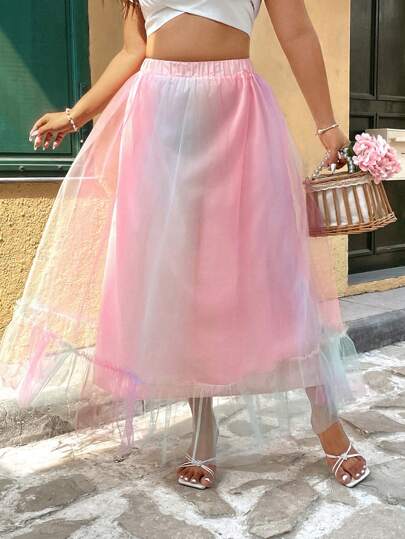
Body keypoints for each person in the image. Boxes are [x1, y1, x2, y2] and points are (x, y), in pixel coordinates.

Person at [0, 0, 369, 491]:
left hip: (237, 114)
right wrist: (76, 114)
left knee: (278, 276)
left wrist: (327, 125)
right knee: (180, 283)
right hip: (158, 118)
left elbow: (297, 32)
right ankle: (202, 431)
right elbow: (134, 51)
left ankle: (326, 421)